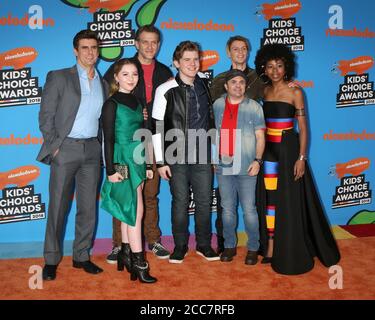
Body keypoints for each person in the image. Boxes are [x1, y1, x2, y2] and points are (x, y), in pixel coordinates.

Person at [254, 43, 340, 275]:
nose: (275, 70)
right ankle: (270, 244)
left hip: (289, 150)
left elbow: (303, 127)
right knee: (270, 198)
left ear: (287, 67)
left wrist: (302, 157)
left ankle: (291, 245)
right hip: (268, 152)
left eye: (279, 66)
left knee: (289, 200)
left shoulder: (296, 92)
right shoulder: (262, 90)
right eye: (270, 66)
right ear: (264, 67)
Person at [37, 30, 108, 281]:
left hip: (91, 150)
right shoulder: (58, 77)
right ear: (75, 50)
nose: (90, 52)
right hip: (65, 149)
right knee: (58, 207)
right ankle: (51, 259)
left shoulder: (104, 82)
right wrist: (55, 146)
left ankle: (81, 256)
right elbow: (46, 117)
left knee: (88, 208)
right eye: (85, 48)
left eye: (94, 48)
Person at [104, 25, 172, 263]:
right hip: (124, 148)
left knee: (149, 195)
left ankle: (152, 239)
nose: (150, 46)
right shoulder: (122, 67)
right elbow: (110, 110)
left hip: (152, 141)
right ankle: (119, 245)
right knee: (124, 195)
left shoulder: (165, 72)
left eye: (155, 42)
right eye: (145, 42)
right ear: (136, 43)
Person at [152, 41, 219, 263]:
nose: (192, 63)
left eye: (195, 59)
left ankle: (203, 245)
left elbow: (209, 120)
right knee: (180, 202)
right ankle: (180, 246)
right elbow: (157, 127)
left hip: (202, 153)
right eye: (187, 60)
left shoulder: (204, 85)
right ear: (176, 63)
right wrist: (161, 161)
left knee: (203, 201)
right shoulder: (165, 89)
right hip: (176, 154)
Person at [101, 58, 157, 283]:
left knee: (129, 209)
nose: (131, 78)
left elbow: (145, 133)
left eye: (135, 74)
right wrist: (110, 169)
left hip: (138, 158)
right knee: (135, 211)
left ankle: (126, 254)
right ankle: (139, 263)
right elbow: (108, 139)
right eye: (125, 74)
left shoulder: (138, 101)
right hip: (122, 160)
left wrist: (150, 164)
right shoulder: (111, 104)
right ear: (116, 77)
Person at [210, 35, 265, 254]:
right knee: (227, 210)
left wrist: (257, 160)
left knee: (250, 209)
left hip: (247, 159)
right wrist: (214, 156)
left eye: (244, 48)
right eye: (236, 48)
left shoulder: (257, 92)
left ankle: (254, 247)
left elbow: (261, 133)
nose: (238, 85)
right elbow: (213, 130)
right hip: (224, 162)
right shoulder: (217, 101)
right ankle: (228, 246)